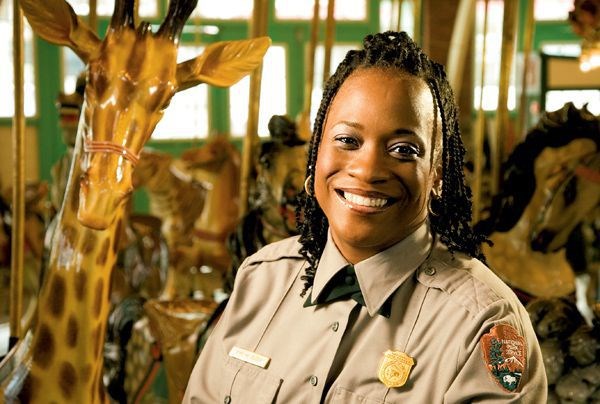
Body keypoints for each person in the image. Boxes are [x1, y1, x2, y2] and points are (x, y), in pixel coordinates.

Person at [183, 31, 547, 403]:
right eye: (347, 141)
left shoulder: (482, 324)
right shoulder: (260, 278)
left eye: (403, 149)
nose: (369, 169)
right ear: (316, 155)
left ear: (437, 173)